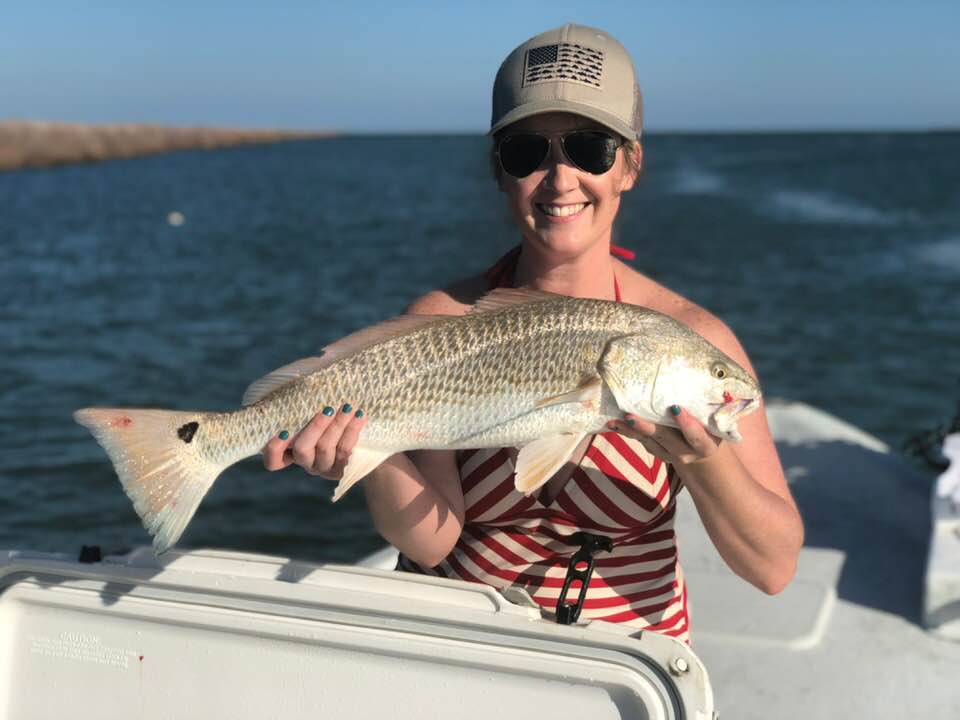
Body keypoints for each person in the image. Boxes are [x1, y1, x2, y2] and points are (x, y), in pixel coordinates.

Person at [262, 23, 803, 643]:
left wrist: (704, 463)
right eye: (526, 152)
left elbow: (773, 567)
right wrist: (366, 457)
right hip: (461, 649)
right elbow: (433, 540)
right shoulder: (446, 322)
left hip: (627, 670)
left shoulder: (689, 340)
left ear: (630, 165)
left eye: (591, 148)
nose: (560, 177)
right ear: (499, 171)